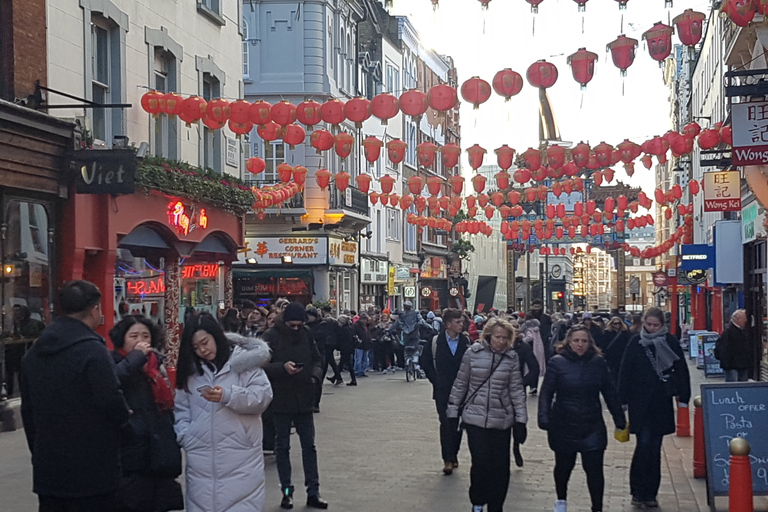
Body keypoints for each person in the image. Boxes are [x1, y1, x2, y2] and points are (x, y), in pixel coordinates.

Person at [21, 280, 131, 512]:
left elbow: (28, 413)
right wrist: (126, 425)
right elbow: (110, 400)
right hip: (94, 471)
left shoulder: (34, 354)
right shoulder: (93, 351)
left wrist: (40, 451)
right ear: (94, 310)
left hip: (50, 470)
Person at [174, 313, 272, 512]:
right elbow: (181, 408)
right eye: (195, 347)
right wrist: (186, 435)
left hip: (241, 458)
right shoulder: (192, 372)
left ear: (216, 336)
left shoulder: (244, 363)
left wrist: (228, 396)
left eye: (205, 342)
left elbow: (262, 397)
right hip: (200, 460)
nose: (202, 350)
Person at [538, 325, 626, 512]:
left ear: (590, 343)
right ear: (568, 342)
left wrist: (619, 418)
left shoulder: (598, 363)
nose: (580, 345)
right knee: (563, 467)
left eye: (584, 341)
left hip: (591, 423)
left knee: (594, 470)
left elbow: (610, 392)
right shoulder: (557, 362)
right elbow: (546, 392)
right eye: (576, 341)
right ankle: (561, 499)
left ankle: (597, 506)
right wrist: (543, 417)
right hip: (563, 423)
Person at [446, 317, 528, 512]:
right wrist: (452, 411)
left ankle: (496, 505)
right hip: (475, 417)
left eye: (505, 338)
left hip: (502, 419)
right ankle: (478, 500)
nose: (500, 341)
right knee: (481, 463)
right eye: (497, 337)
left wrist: (521, 420)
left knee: (500, 467)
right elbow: (461, 384)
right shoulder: (472, 354)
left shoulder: (511, 357)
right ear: (489, 336)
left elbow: (516, 389)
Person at [618, 307, 691, 509]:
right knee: (644, 445)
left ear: (662, 325)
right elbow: (626, 371)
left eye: (655, 325)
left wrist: (683, 395)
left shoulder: (670, 342)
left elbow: (681, 369)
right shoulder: (635, 342)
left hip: (660, 401)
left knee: (655, 448)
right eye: (648, 324)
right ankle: (638, 491)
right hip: (639, 402)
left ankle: (650, 493)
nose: (651, 328)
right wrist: (621, 401)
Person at [109, 316, 183, 512]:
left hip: (161, 455)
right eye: (133, 335)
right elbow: (112, 383)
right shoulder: (113, 363)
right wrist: (134, 360)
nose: (140, 340)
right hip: (132, 455)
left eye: (145, 335)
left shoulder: (156, 367)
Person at [261, 303, 328, 510]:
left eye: (300, 325)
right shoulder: (271, 336)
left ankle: (313, 492)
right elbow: (261, 365)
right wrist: (282, 368)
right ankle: (287, 492)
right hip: (281, 399)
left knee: (309, 446)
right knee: (283, 447)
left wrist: (314, 378)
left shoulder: (307, 334)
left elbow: (317, 359)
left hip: (304, 397)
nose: (297, 328)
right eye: (293, 325)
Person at [421, 308, 471, 475]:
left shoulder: (466, 342)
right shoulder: (435, 342)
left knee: (457, 424)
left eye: (462, 322)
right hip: (442, 390)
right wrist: (435, 380)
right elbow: (425, 362)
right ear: (448, 324)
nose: (461, 325)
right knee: (446, 423)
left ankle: (454, 453)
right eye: (458, 322)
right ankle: (447, 459)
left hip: (462, 390)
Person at [511, 319, 540, 468]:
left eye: (517, 327)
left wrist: (522, 382)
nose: (515, 330)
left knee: (518, 423)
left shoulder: (523, 347)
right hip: (498, 390)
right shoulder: (496, 345)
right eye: (511, 327)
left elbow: (535, 368)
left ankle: (516, 446)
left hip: (517, 390)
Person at [5, 304, 45, 396]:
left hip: (25, 352)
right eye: (14, 311)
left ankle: (24, 392)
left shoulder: (33, 323)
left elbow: (36, 334)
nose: (16, 313)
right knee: (9, 374)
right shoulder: (10, 324)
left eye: (18, 311)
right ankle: (9, 392)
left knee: (23, 375)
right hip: (11, 352)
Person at [714, 309, 751, 382]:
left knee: (743, 387)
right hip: (732, 366)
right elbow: (723, 349)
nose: (746, 320)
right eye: (744, 318)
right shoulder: (728, 332)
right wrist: (727, 365)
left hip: (742, 365)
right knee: (733, 387)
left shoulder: (741, 330)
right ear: (738, 319)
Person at [604, 316, 631, 390]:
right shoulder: (607, 333)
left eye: (619, 323)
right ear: (611, 324)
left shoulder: (625, 333)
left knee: (620, 372)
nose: (617, 325)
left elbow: (627, 344)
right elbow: (604, 344)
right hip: (611, 357)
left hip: (621, 356)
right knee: (613, 374)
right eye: (615, 323)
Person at [522, 318, 546, 394]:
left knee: (529, 369)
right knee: (537, 367)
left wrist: (523, 340)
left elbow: (529, 337)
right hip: (538, 348)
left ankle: (531, 385)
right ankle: (534, 385)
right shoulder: (537, 330)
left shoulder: (529, 330)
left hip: (532, 349)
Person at [353, 313, 372, 378]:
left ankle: (362, 371)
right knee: (359, 359)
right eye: (363, 319)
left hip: (366, 344)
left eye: (366, 319)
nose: (364, 321)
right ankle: (357, 371)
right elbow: (354, 334)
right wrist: (357, 340)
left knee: (365, 359)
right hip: (359, 344)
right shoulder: (356, 326)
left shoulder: (366, 326)